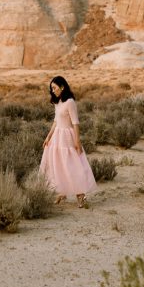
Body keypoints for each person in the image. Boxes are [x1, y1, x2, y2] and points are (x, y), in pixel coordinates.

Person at [40, 76, 96, 208]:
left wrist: (77, 141)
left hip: (68, 137)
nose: (52, 91)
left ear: (62, 87)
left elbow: (76, 123)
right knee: (57, 164)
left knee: (72, 165)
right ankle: (61, 192)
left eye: (54, 88)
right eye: (51, 89)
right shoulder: (57, 102)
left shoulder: (70, 102)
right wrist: (48, 137)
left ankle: (80, 195)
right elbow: (55, 121)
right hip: (57, 137)